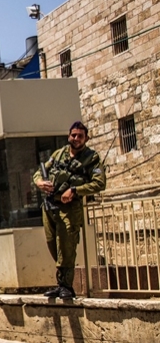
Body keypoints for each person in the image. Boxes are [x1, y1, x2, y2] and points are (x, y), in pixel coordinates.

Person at [33, 121, 106, 299]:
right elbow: (38, 173)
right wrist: (40, 183)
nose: (76, 139)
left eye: (80, 136)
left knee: (66, 246)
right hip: (50, 205)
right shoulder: (59, 154)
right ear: (69, 136)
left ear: (86, 138)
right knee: (53, 245)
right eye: (73, 135)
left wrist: (74, 191)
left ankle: (66, 286)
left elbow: (99, 183)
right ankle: (61, 284)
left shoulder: (91, 157)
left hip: (70, 207)